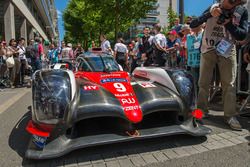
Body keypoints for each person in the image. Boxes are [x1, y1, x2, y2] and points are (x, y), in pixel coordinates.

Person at [190, 0, 248, 130]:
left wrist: (228, 24)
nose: (227, 4)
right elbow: (193, 24)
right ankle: (201, 111)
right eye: (227, 0)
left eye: (233, 2)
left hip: (227, 49)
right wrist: (208, 15)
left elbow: (242, 34)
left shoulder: (242, 11)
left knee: (229, 84)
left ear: (238, 4)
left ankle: (230, 116)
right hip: (208, 48)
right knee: (203, 82)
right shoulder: (213, 7)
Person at [186, 24, 204, 94]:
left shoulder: (204, 34)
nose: (192, 28)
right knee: (194, 81)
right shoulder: (189, 36)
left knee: (202, 83)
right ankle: (196, 99)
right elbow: (187, 48)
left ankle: (202, 100)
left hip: (203, 62)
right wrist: (187, 59)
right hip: (192, 62)